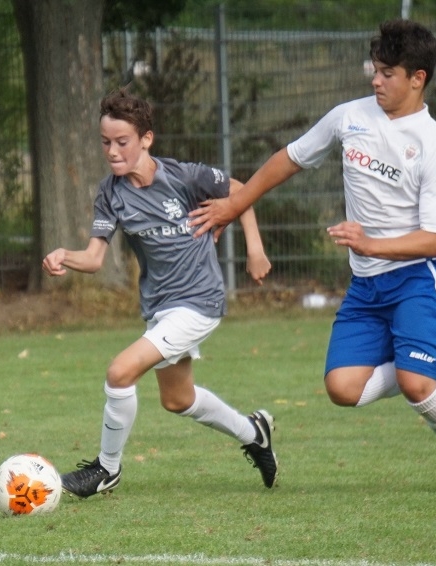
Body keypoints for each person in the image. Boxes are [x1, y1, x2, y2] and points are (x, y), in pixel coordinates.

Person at [189, 19, 436, 491]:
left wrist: (370, 243)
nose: (375, 81)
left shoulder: (429, 141)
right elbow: (291, 157)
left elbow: (435, 239)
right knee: (342, 389)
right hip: (367, 284)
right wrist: (237, 203)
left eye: (387, 73)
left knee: (417, 384)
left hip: (419, 278)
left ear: (418, 78)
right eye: (374, 70)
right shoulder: (350, 116)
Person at [42, 89, 278, 498]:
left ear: (146, 139)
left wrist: (255, 250)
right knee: (178, 398)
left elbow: (241, 189)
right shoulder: (110, 193)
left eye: (122, 142)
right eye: (105, 143)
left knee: (120, 371)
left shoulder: (184, 177)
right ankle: (254, 433)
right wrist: (65, 256)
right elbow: (95, 257)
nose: (112, 152)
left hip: (200, 302)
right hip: (161, 307)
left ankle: (106, 470)